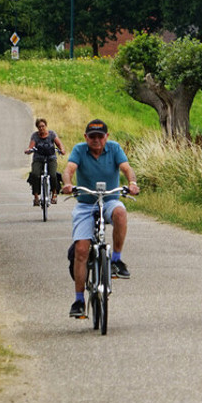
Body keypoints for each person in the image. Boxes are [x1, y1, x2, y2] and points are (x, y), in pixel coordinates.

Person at [61, 119, 140, 318]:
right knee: (81, 250)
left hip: (110, 199)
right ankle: (79, 300)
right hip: (86, 203)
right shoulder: (80, 150)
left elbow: (126, 168)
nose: (96, 140)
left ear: (106, 137)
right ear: (85, 137)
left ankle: (116, 261)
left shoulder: (114, 149)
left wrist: (131, 182)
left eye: (100, 136)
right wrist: (68, 184)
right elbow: (69, 169)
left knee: (121, 213)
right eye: (92, 136)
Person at [25, 118, 66, 205]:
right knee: (35, 174)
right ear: (37, 128)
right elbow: (31, 146)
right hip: (38, 159)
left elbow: (59, 144)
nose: (41, 128)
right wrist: (28, 150)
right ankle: (36, 197)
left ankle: (54, 194)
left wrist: (62, 150)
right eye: (39, 127)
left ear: (46, 126)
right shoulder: (35, 136)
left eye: (43, 126)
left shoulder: (52, 134)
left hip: (51, 158)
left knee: (53, 175)